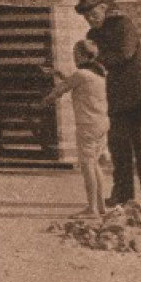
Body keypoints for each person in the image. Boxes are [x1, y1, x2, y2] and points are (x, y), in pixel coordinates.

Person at [79, 0, 141, 209]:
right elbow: (88, 59)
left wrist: (96, 62)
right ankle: (123, 194)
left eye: (93, 13)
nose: (90, 19)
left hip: (140, 94)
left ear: (104, 8)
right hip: (114, 98)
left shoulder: (123, 24)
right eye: (86, 16)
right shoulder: (92, 35)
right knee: (119, 147)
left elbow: (124, 53)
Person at [42, 39, 110, 217]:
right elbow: (76, 83)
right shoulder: (99, 73)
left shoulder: (81, 75)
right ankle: (101, 206)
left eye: (75, 54)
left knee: (87, 165)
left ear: (81, 56)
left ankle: (92, 208)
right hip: (101, 123)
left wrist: (46, 100)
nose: (73, 58)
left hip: (87, 125)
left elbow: (62, 89)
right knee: (94, 164)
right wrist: (59, 73)